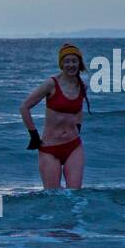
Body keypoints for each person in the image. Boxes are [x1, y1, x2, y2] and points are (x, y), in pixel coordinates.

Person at [19, 43, 90, 189]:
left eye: (74, 61)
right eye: (67, 61)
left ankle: (76, 213)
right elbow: (24, 107)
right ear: (61, 64)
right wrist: (33, 135)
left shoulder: (82, 85)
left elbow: (78, 110)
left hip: (73, 146)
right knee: (53, 196)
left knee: (75, 194)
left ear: (79, 63)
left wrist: (78, 127)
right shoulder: (51, 84)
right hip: (49, 148)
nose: (71, 65)